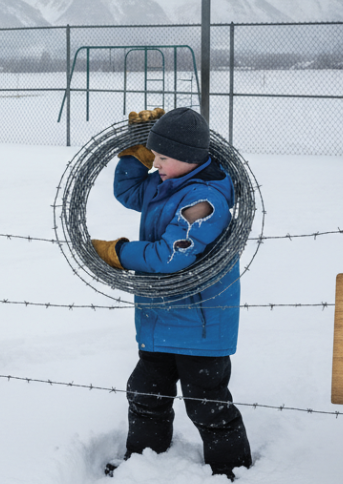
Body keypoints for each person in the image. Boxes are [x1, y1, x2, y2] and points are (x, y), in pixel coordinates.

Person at [93, 107, 251, 481]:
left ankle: (232, 468)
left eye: (163, 157)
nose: (157, 164)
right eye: (155, 155)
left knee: (207, 403)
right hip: (159, 319)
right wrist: (136, 153)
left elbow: (168, 256)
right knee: (146, 394)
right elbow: (129, 191)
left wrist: (118, 253)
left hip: (200, 327)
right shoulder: (167, 183)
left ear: (190, 158)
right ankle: (146, 456)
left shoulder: (205, 202)